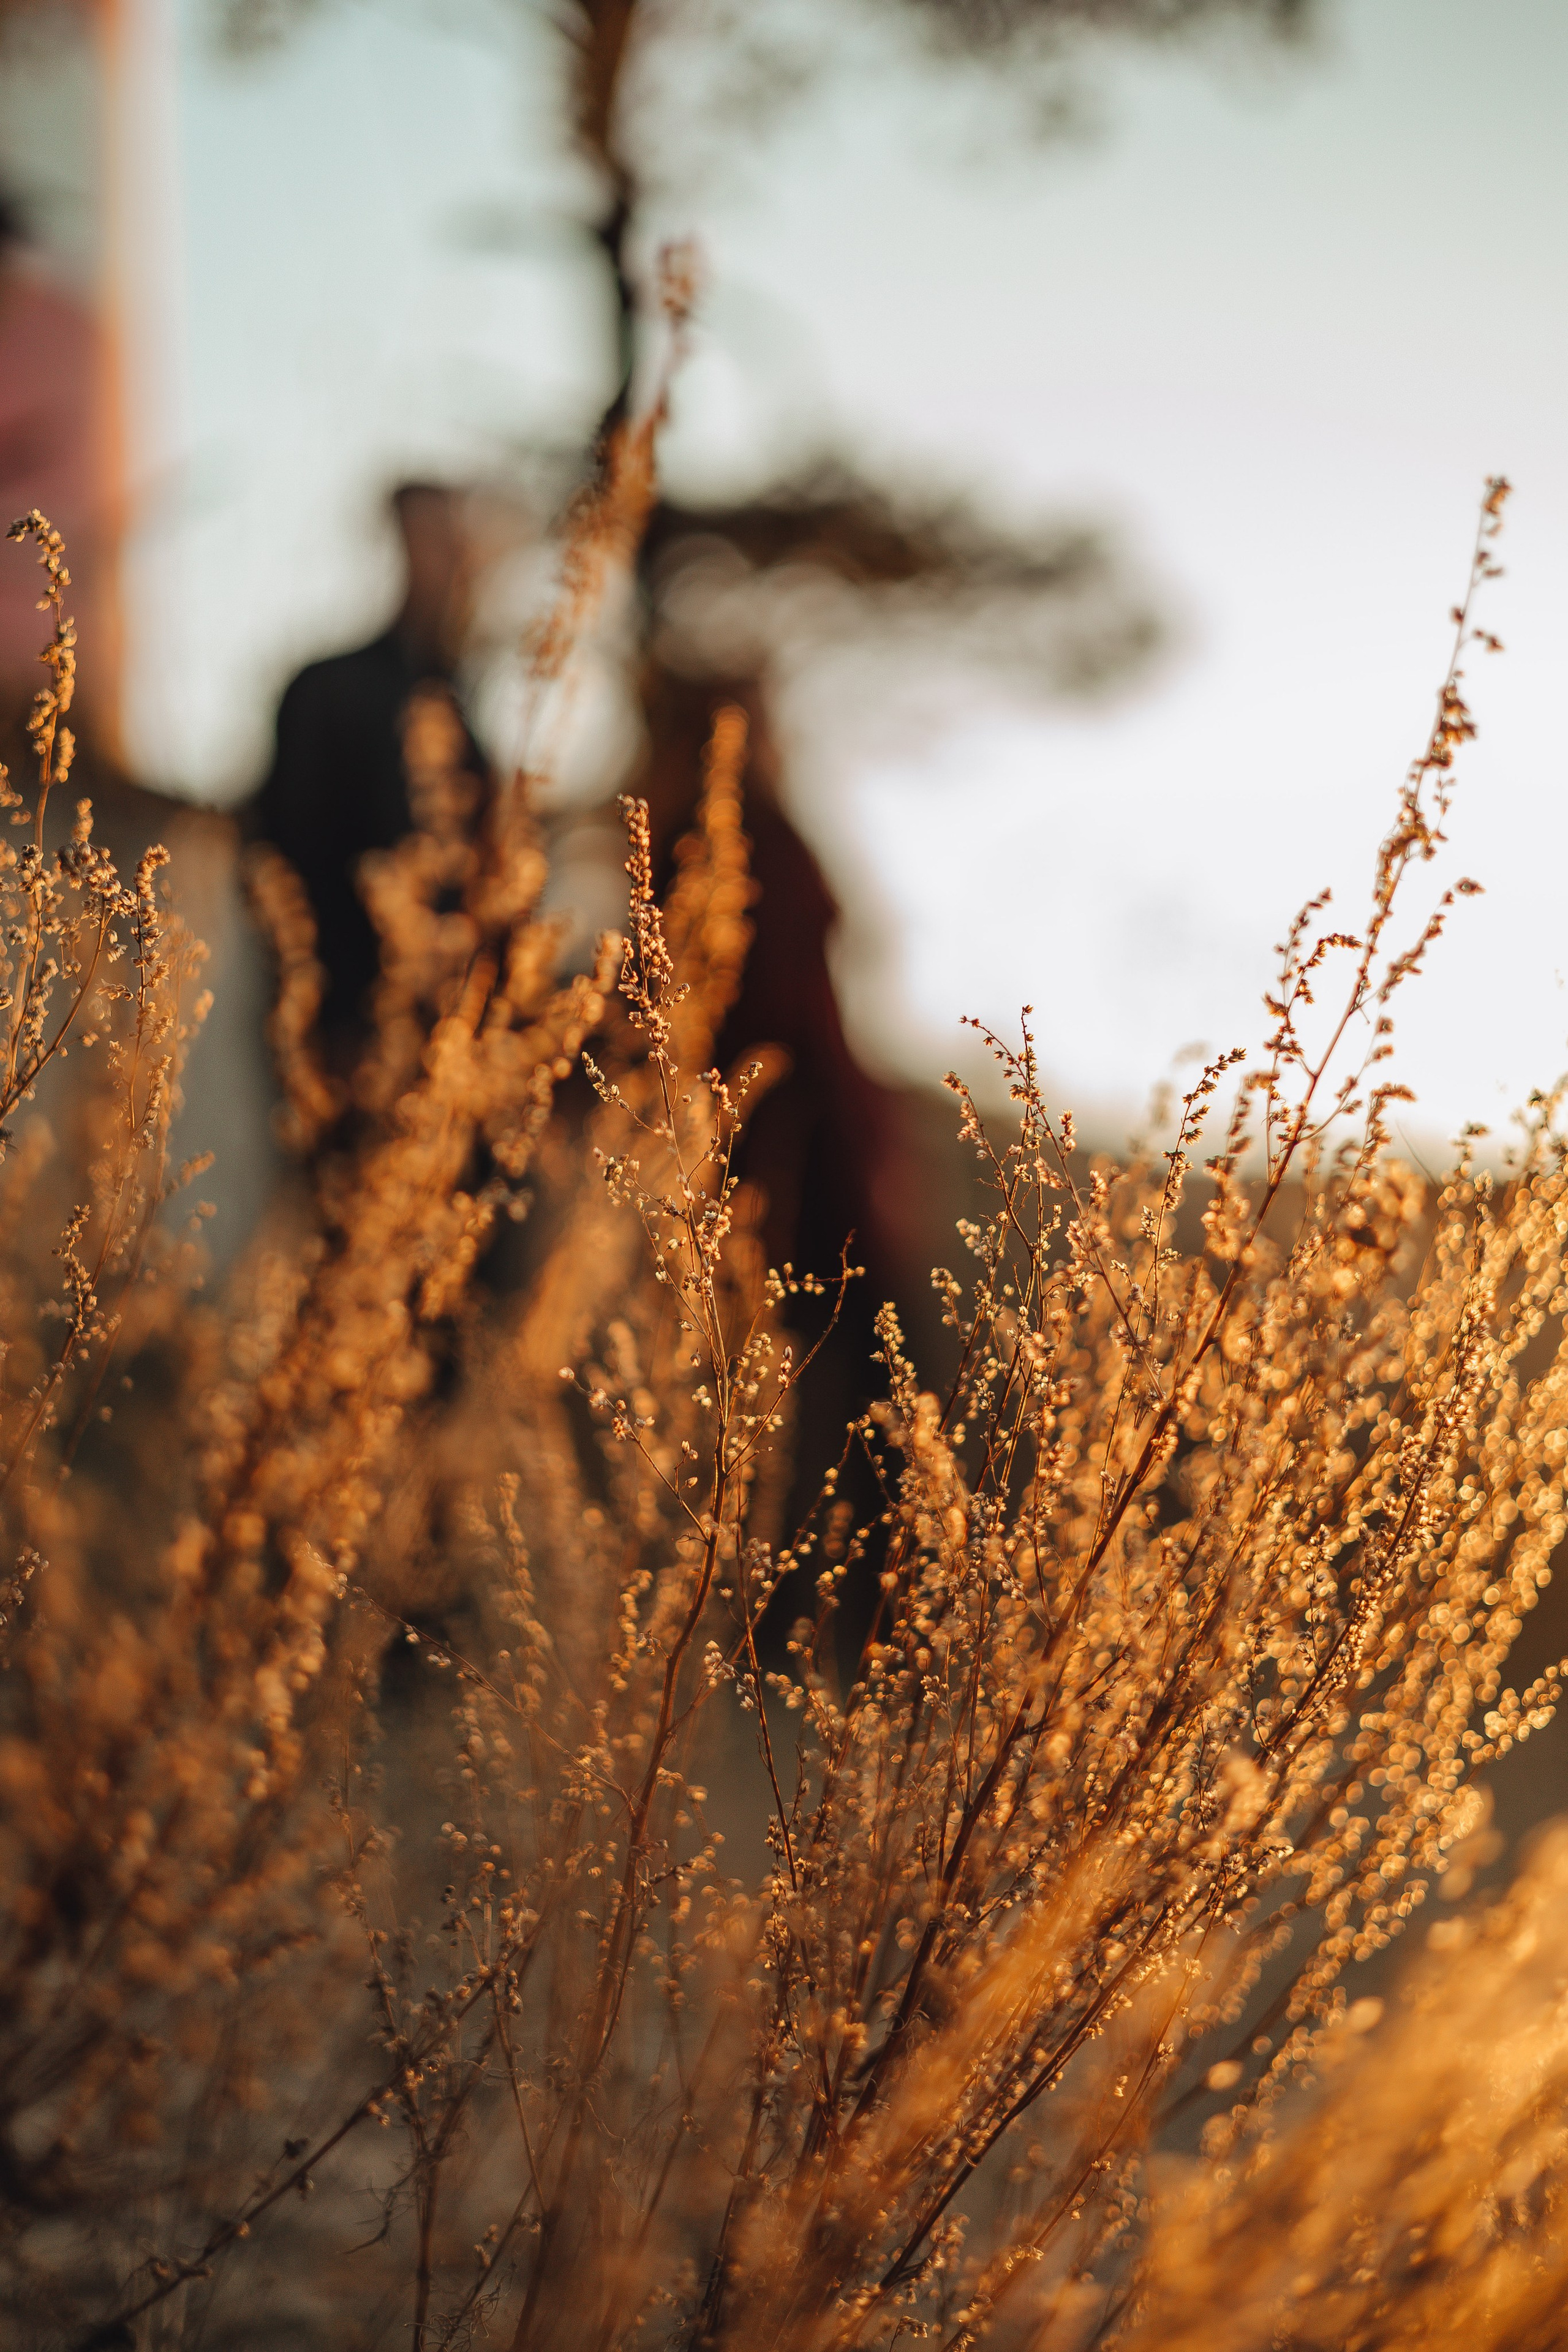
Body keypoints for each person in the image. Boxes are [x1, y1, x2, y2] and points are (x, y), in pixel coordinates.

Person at [247, 482, 492, 1069]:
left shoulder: (455, 711)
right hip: (348, 1025)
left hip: (447, 1032)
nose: (449, 563)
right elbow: (286, 859)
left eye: (454, 544)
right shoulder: (330, 694)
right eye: (431, 542)